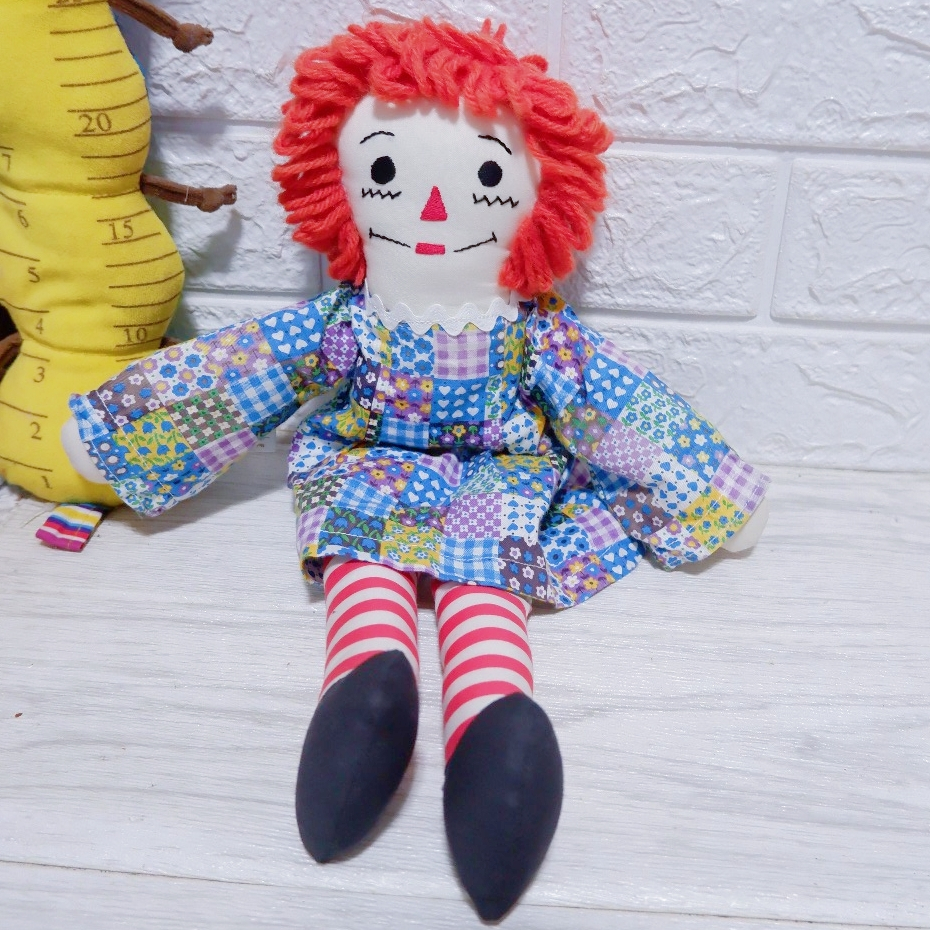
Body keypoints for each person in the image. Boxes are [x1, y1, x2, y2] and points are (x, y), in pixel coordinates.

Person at [65, 18, 770, 920]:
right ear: (341, 187)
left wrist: (708, 487)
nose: (433, 211)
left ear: (540, 199)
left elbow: (617, 411)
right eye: (390, 174)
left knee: (484, 589)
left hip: (496, 480)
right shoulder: (348, 323)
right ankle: (369, 682)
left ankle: (494, 718)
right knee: (367, 572)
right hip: (366, 468)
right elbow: (247, 372)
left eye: (486, 181)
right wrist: (125, 430)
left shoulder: (534, 334)